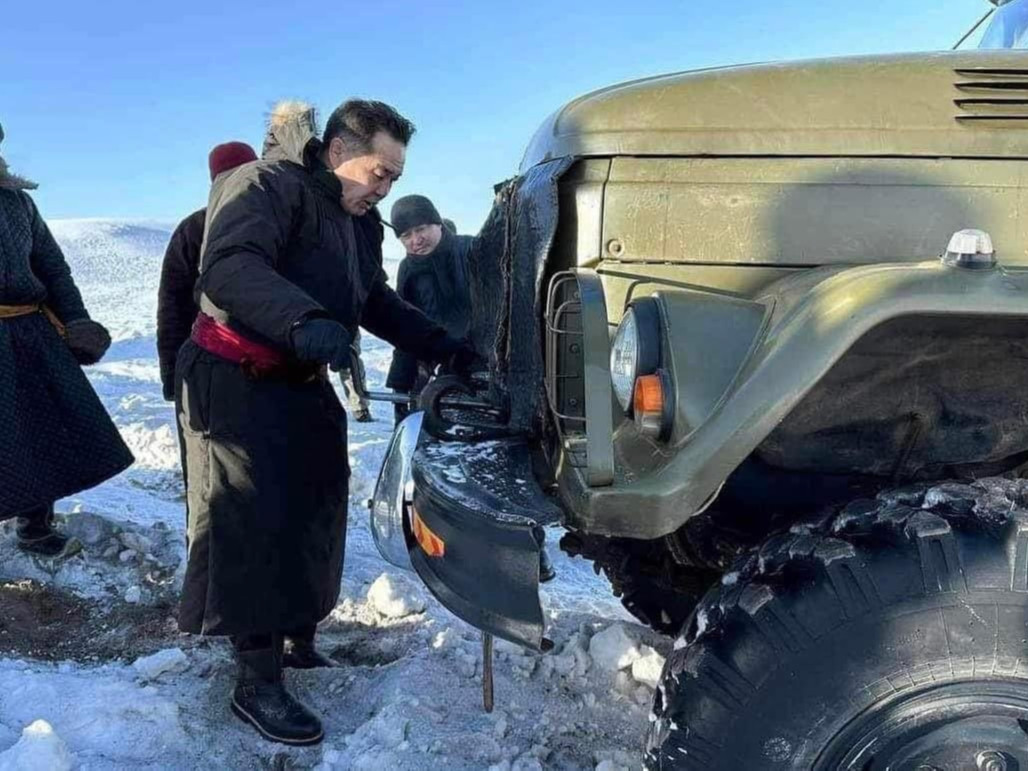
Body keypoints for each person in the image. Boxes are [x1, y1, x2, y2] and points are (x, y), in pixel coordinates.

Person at [175, 99, 476, 746]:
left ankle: (297, 636)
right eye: (379, 173)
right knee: (252, 517)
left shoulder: (358, 223)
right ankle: (256, 677)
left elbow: (373, 300)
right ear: (339, 151)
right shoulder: (265, 185)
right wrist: (302, 319)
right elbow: (230, 266)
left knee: (314, 507)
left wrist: (444, 347)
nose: (385, 189)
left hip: (300, 377)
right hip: (235, 376)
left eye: (395, 177)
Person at [0, 121, 134, 554]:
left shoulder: (19, 202)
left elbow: (53, 267)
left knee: (38, 430)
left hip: (28, 330)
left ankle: (34, 527)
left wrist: (76, 321)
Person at [156, 142, 258, 403]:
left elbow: (172, 307)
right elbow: (174, 306)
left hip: (242, 365)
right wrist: (172, 374)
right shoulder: (194, 230)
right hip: (220, 361)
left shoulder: (192, 228)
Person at [385, 195, 474, 423]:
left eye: (421, 229)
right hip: (434, 362)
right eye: (406, 235)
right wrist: (400, 386)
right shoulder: (408, 269)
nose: (416, 240)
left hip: (480, 365)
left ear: (438, 224)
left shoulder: (471, 250)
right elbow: (404, 326)